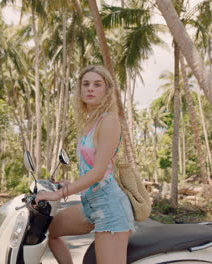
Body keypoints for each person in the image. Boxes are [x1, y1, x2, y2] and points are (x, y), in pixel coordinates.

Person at [35, 65, 135, 264]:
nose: (90, 88)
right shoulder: (89, 122)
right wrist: (68, 184)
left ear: (107, 91)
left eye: (97, 84)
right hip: (90, 203)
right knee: (49, 231)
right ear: (80, 90)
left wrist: (59, 194)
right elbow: (91, 168)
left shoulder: (109, 121)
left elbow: (99, 172)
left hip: (109, 206)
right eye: (86, 84)